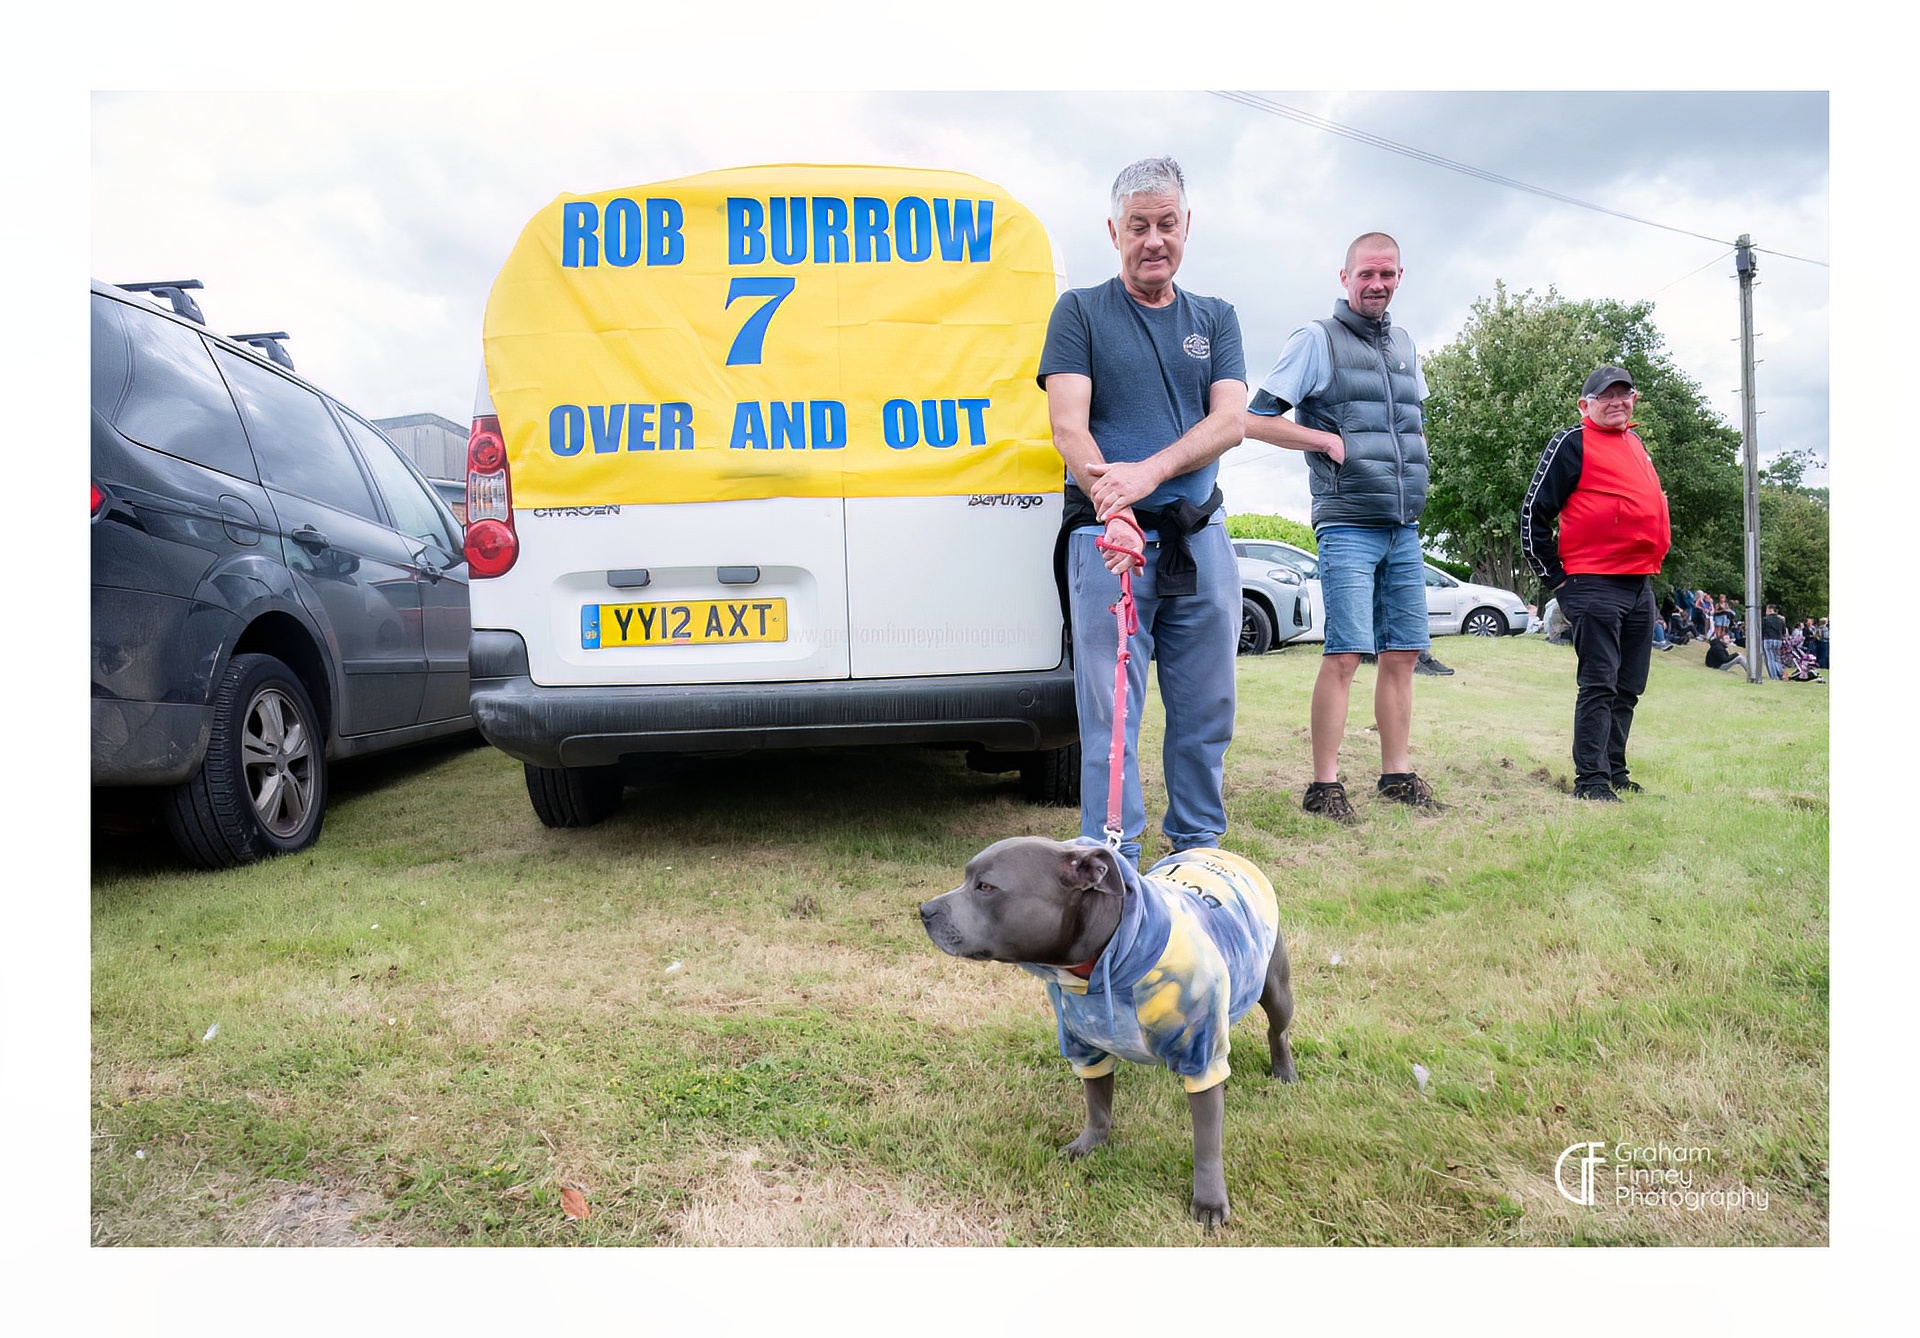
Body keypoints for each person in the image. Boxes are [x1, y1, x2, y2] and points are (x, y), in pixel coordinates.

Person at [1039, 156, 1247, 864]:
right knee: (1110, 712)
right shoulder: (1079, 311)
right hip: (1109, 542)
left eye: (1166, 224)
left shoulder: (1216, 318)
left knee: (1206, 708)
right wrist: (1114, 503)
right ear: (1113, 230)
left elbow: (1230, 423)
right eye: (1138, 226)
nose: (1153, 239)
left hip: (1199, 537)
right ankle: (1111, 859)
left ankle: (1196, 852)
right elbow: (1069, 424)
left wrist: (1147, 475)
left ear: (1186, 225)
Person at [1242, 231, 1443, 822]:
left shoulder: (1405, 344)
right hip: (1348, 522)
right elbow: (1254, 420)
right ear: (1345, 277)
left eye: (1386, 275)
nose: (1375, 284)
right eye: (1365, 275)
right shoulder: (1315, 339)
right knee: (1347, 653)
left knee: (1403, 653)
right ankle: (1324, 786)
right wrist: (1325, 439)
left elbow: (1409, 423)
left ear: (1399, 277)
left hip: (1402, 523)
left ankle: (1396, 774)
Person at [1520, 365, 1672, 802]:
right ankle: (1590, 781)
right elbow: (1533, 515)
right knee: (1599, 683)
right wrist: (1558, 583)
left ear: (1634, 400)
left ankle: (1615, 770)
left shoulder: (1635, 442)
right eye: (1605, 396)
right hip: (1593, 582)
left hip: (1639, 584)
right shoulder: (1573, 442)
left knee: (1628, 686)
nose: (1616, 402)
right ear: (1585, 404)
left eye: (1624, 395)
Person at [1761, 604, 1787, 679]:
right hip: (1778, 640)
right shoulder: (1780, 620)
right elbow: (1784, 631)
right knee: (1776, 658)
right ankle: (1781, 673)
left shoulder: (1765, 619)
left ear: (1770, 609)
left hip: (1768, 639)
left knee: (1770, 658)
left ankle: (1773, 676)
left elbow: (1762, 630)